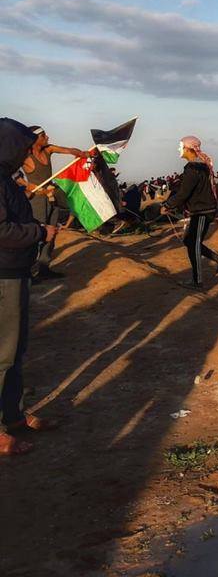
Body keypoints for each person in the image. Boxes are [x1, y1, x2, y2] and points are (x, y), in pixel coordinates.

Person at [0, 119, 59, 456]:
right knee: (3, 355)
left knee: (15, 353)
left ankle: (14, 416)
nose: (28, 153)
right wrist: (38, 233)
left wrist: (36, 229)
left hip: (16, 272)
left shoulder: (7, 180)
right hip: (3, 275)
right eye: (23, 146)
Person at [18, 126, 86, 281]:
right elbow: (12, 172)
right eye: (43, 135)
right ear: (35, 139)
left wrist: (82, 154)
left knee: (52, 232)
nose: (47, 137)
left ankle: (44, 268)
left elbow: (69, 150)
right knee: (36, 233)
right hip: (36, 200)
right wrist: (27, 185)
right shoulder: (25, 155)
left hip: (51, 197)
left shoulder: (48, 150)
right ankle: (27, 272)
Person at [162, 136, 218, 290]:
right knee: (189, 241)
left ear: (188, 149)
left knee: (193, 244)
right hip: (201, 210)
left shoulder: (193, 169)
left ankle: (197, 281)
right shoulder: (199, 167)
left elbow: (183, 193)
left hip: (202, 211)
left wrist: (167, 204)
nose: (178, 150)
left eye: (180, 147)